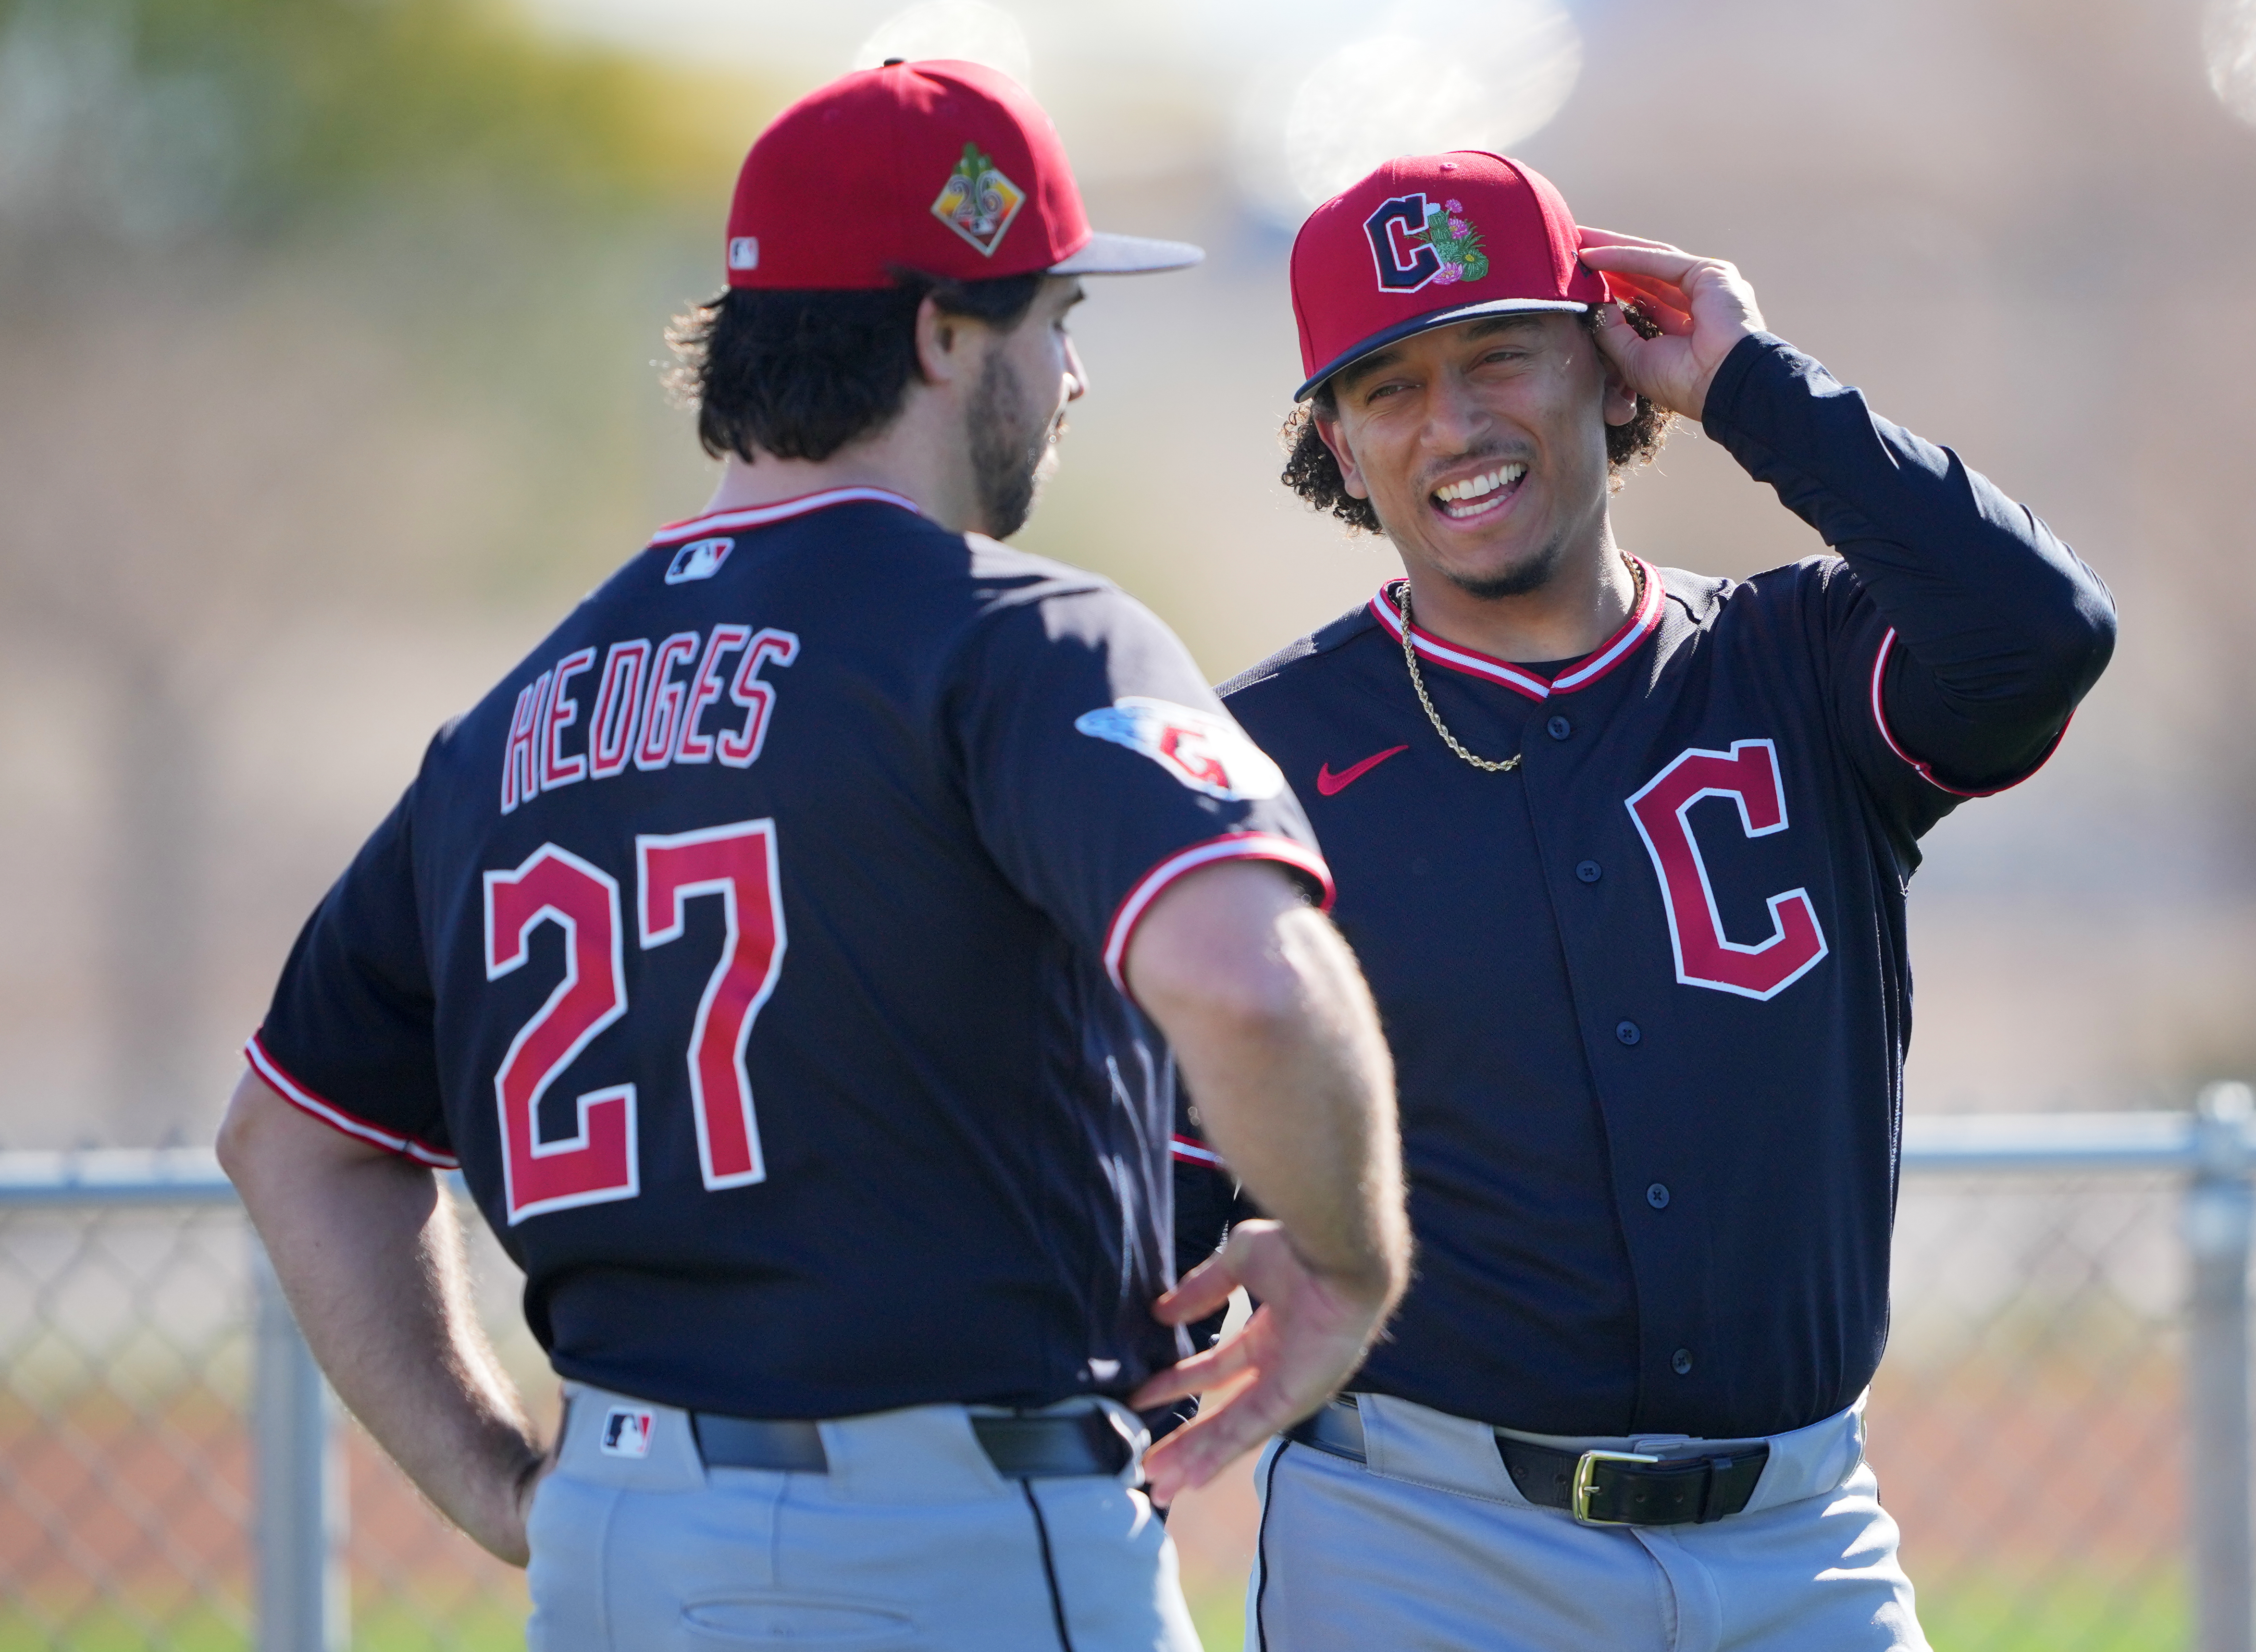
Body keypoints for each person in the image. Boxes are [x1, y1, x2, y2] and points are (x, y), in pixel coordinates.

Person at [214, 62, 1410, 1652]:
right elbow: (1251, 988)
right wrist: (1347, 1264)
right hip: (958, 1538)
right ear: (937, 335)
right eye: (1051, 319)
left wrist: (502, 1484)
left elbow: (288, 1138)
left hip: (624, 1542)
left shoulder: (502, 730)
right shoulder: (1026, 638)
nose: (1070, 377)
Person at [1187, 151, 2117, 1649]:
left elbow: (2040, 633)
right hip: (1427, 1546)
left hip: (1802, 1543)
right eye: (1391, 387)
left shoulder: (1800, 661)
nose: (1458, 422)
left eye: (1502, 355)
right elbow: (1153, 1192)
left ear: (1614, 373)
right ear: (1341, 449)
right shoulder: (1256, 754)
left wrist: (1748, 380)